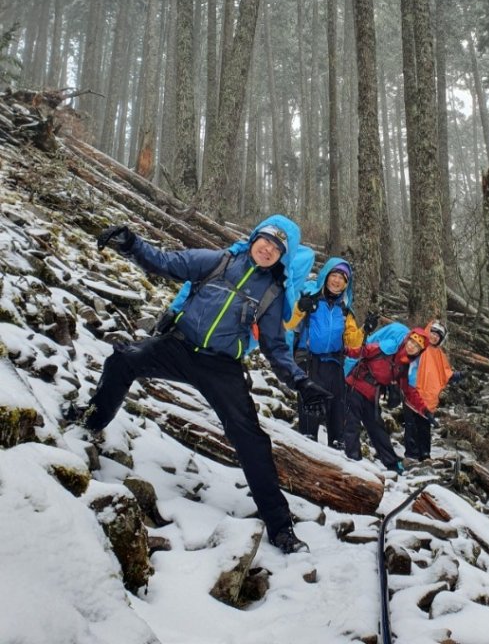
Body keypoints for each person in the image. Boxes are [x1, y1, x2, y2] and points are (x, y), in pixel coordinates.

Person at [72, 214, 333, 554]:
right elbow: (166, 262)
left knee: (251, 439)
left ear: (283, 256)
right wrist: (131, 244)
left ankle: (281, 527)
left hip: (222, 367)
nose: (268, 249)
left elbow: (276, 347)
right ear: (254, 238)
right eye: (265, 240)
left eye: (277, 248)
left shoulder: (272, 293)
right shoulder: (218, 261)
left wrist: (301, 382)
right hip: (178, 347)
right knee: (123, 360)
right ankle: (90, 419)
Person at [284, 257, 374, 449]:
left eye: (342, 278)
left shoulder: (345, 311)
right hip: (310, 362)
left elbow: (352, 342)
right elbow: (288, 324)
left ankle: (338, 448)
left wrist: (365, 329)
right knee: (310, 412)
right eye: (334, 275)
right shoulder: (310, 300)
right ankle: (307, 446)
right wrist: (300, 308)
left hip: (334, 365)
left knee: (336, 411)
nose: (337, 281)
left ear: (346, 284)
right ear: (325, 276)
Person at [343, 325, 433, 472]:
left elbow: (409, 391)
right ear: (407, 339)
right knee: (352, 424)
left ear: (419, 351)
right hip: (356, 386)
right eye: (411, 342)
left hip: (372, 395)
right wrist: (344, 350)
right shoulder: (389, 347)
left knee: (378, 430)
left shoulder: (404, 365)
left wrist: (425, 411)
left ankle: (391, 464)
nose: (411, 347)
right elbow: (364, 351)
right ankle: (353, 459)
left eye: (416, 346)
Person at [403, 319, 463, 466]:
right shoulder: (419, 346)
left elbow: (445, 374)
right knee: (411, 426)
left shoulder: (439, 356)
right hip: (412, 393)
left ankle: (425, 455)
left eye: (438, 336)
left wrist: (460, 376)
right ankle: (411, 455)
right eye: (433, 333)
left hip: (428, 398)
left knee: (424, 427)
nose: (434, 337)